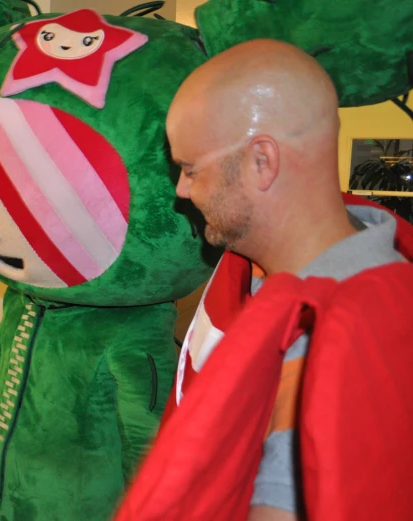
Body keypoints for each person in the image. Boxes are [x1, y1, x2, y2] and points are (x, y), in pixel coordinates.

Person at [113, 39, 413, 521]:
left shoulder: (326, 339)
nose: (181, 190)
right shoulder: (256, 271)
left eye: (190, 169)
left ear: (262, 162)